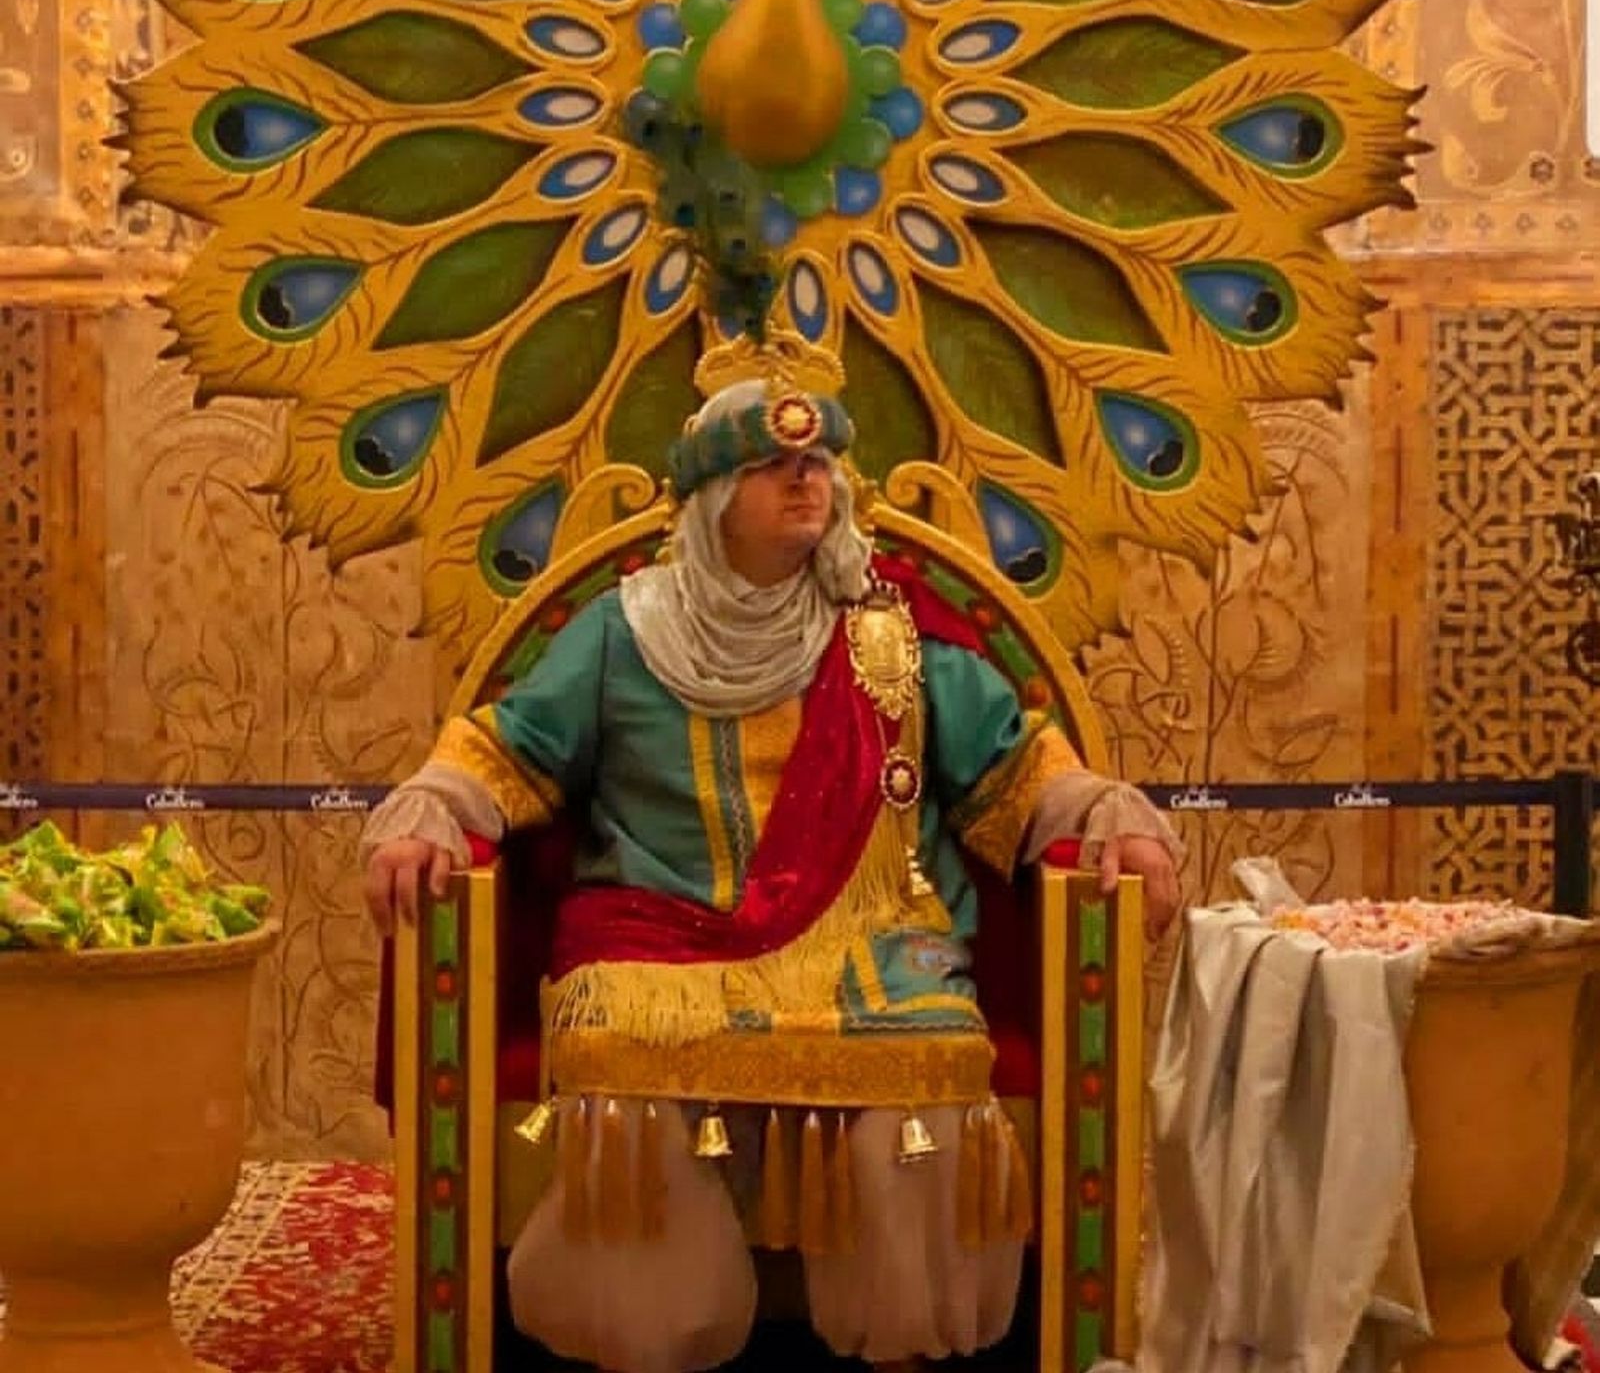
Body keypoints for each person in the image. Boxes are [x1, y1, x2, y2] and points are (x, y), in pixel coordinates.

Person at [362, 363, 1182, 1373]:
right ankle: (655, 1341)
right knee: (625, 1077)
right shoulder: (622, 631)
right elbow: (502, 750)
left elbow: (1016, 765)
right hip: (653, 940)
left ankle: (904, 1345)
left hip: (871, 940)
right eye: (773, 466)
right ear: (714, 500)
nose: (807, 483)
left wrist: (1111, 819)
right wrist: (428, 815)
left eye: (817, 464)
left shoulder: (890, 632)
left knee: (927, 1069)